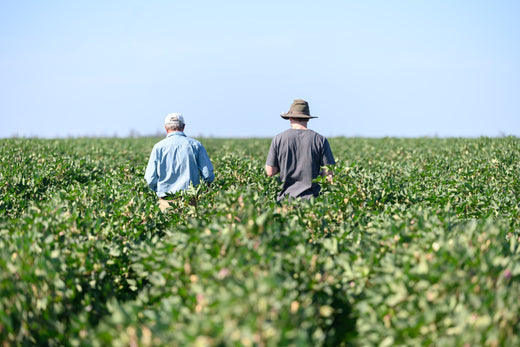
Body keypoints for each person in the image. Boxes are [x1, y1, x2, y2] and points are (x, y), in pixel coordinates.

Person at [265, 99, 335, 201]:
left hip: (285, 201)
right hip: (312, 202)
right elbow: (329, 175)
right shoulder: (320, 140)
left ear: (290, 118)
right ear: (308, 119)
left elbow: (270, 171)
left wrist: (286, 165)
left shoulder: (278, 139)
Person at [145, 113, 215, 211]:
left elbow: (150, 179)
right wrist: (205, 189)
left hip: (166, 201)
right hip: (190, 200)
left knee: (168, 225)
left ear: (166, 128)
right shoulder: (195, 145)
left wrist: (160, 191)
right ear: (183, 127)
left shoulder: (158, 148)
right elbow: (208, 175)